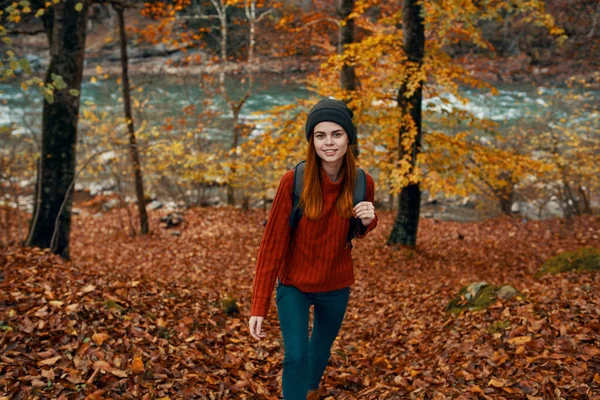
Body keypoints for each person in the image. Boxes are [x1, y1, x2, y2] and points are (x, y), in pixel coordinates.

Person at [248, 98, 378, 400]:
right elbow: (271, 246)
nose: (329, 143)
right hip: (294, 285)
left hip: (336, 287)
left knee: (318, 356)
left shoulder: (362, 182)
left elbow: (358, 228)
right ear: (312, 140)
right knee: (296, 356)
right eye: (320, 135)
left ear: (349, 138)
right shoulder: (293, 182)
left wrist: (369, 222)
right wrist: (259, 304)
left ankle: (304, 391)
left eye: (336, 134)